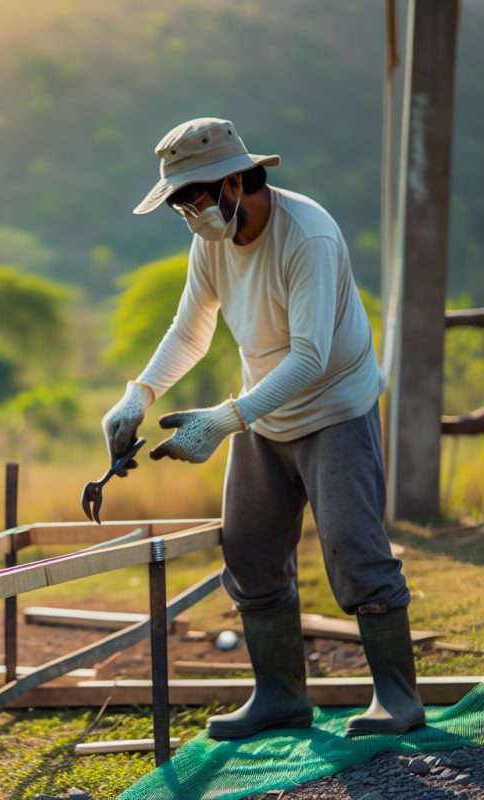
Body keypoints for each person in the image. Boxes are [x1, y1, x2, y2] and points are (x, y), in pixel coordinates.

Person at [101, 117, 425, 739]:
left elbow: (308, 356)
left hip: (334, 407)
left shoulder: (309, 236)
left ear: (235, 181)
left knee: (357, 554)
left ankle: (399, 698)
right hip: (261, 411)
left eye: (193, 196)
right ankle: (279, 696)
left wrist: (223, 420)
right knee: (249, 549)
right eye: (178, 201)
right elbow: (190, 330)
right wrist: (136, 395)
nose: (188, 211)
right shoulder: (211, 242)